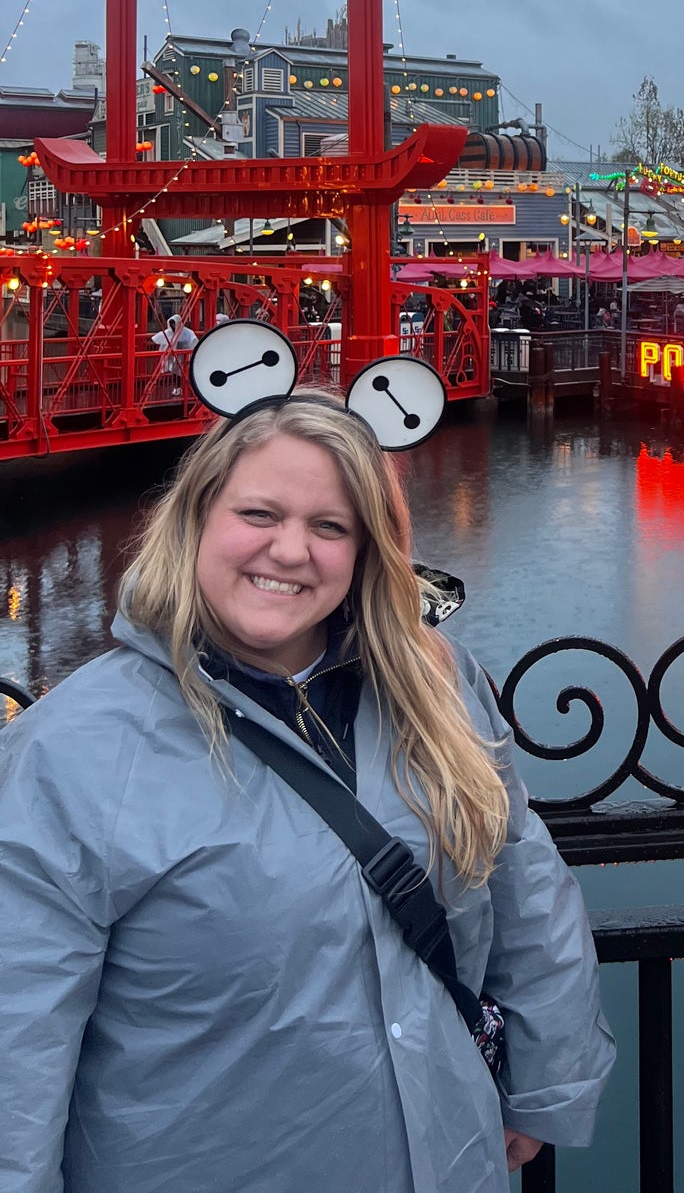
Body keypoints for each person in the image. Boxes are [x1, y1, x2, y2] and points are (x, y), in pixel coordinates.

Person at [0, 392, 614, 1192]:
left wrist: (546, 1086)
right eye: (259, 512)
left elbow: (524, 881)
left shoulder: (436, 684)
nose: (289, 550)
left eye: (330, 526)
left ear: (367, 551)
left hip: (446, 1152)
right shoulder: (70, 746)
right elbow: (19, 1023)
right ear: (195, 519)